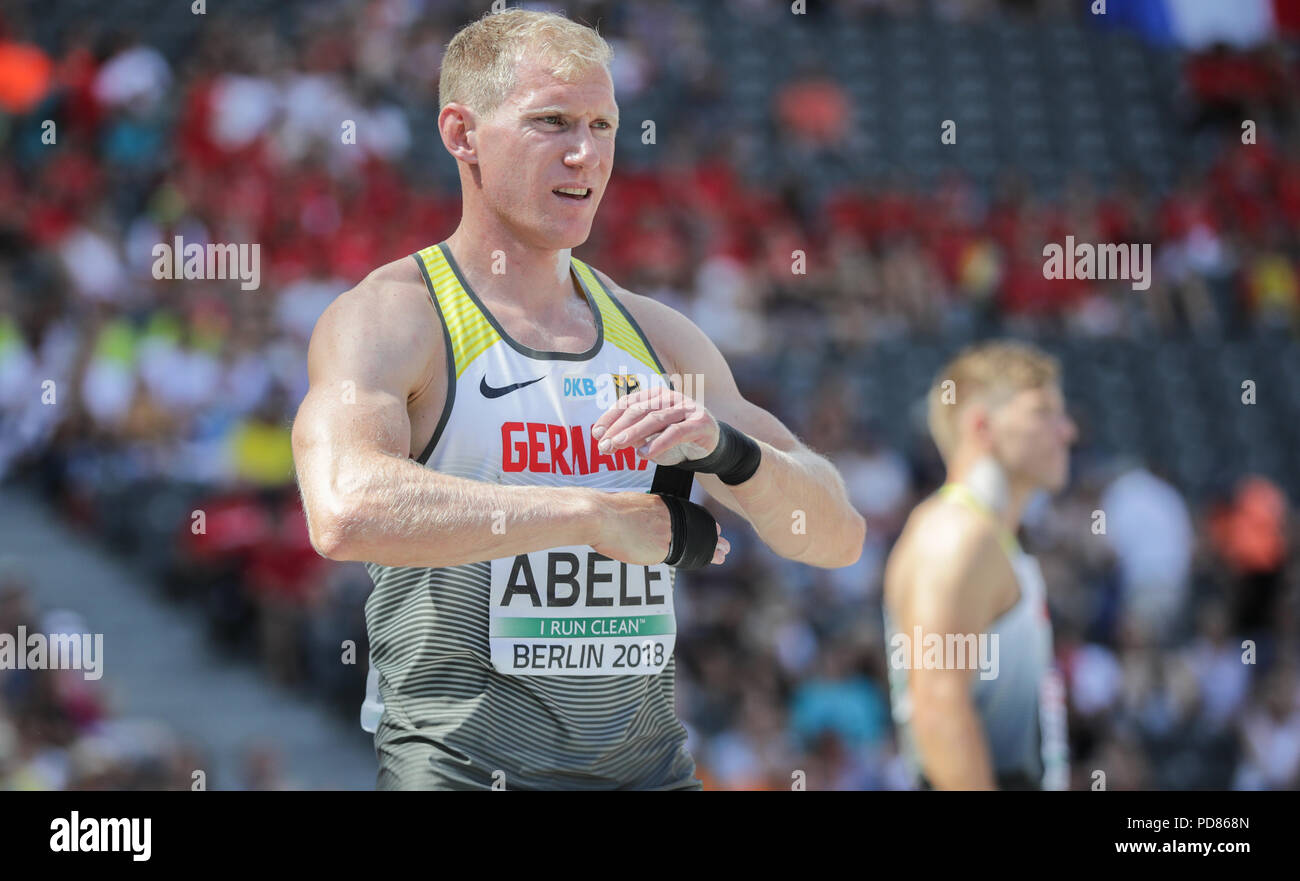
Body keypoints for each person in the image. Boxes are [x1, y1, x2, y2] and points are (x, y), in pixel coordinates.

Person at [291, 8, 865, 791]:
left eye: (603, 125)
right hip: (466, 771)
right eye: (551, 122)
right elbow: (345, 508)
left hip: (648, 772)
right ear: (462, 135)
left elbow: (836, 533)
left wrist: (729, 453)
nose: (584, 153)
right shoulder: (396, 314)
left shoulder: (658, 336)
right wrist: (591, 515)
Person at [882, 340, 1076, 790]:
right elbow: (938, 707)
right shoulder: (957, 535)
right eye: (1042, 411)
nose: (1066, 431)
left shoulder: (987, 538)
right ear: (981, 424)